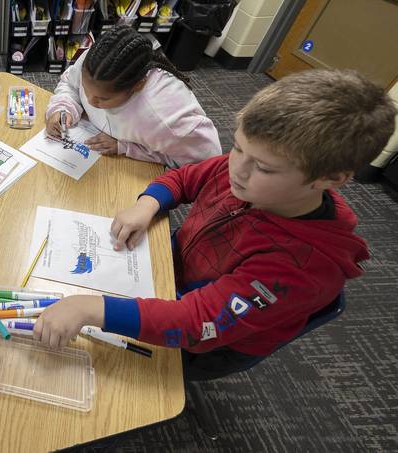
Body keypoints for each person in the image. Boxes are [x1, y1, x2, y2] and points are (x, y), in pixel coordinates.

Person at [33, 69, 396, 380]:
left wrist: (89, 309)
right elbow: (187, 178)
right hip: (174, 272)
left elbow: (197, 325)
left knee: (115, 375)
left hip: (205, 342)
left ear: (330, 179)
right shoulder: (245, 169)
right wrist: (148, 204)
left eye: (264, 167)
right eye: (237, 148)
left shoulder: (302, 268)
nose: (236, 168)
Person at [46, 25, 221, 168]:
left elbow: (205, 164)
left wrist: (128, 147)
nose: (90, 101)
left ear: (139, 85)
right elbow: (70, 84)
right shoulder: (94, 62)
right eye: (86, 89)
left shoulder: (167, 119)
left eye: (103, 99)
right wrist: (63, 108)